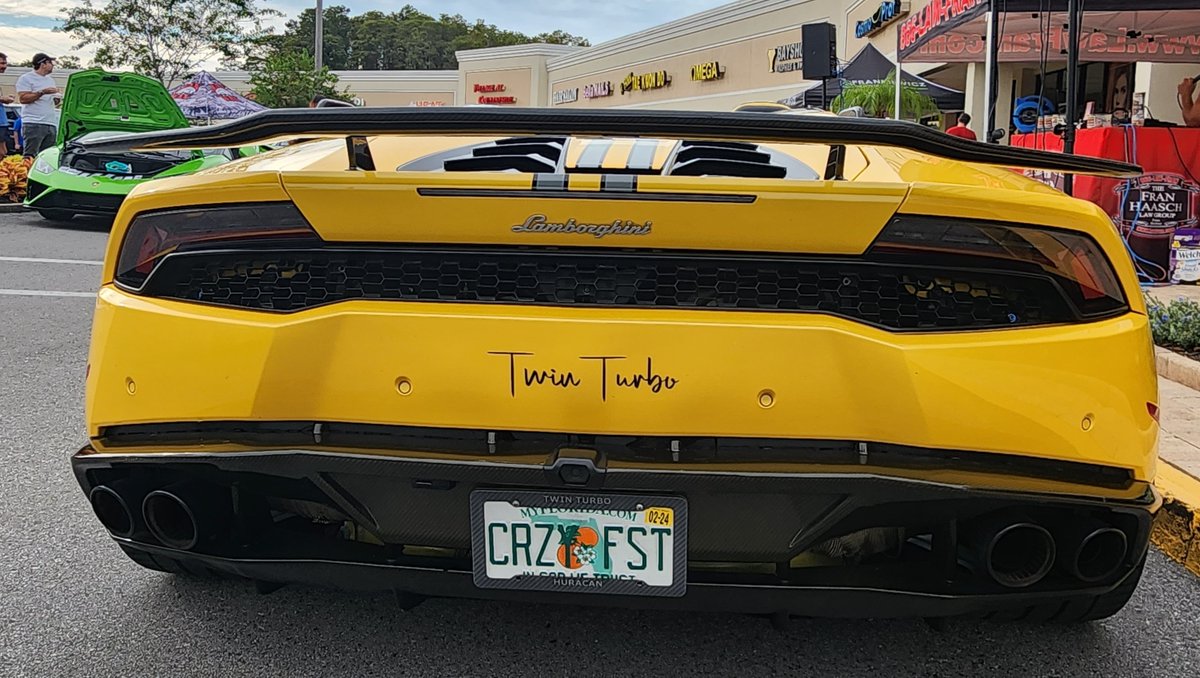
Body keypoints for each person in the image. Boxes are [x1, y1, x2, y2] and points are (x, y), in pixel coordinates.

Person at [15, 53, 61, 159]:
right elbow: (23, 99)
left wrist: (56, 99)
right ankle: (26, 173)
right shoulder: (26, 78)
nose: (53, 65)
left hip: (50, 122)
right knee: (30, 155)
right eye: (50, 62)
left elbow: (52, 102)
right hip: (33, 122)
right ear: (42, 64)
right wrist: (42, 92)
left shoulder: (50, 80)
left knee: (48, 157)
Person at [0, 52, 14, 156]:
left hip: (2, 122)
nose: (4, 66)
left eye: (5, 63)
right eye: (1, 63)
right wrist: (2, 99)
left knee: (3, 151)